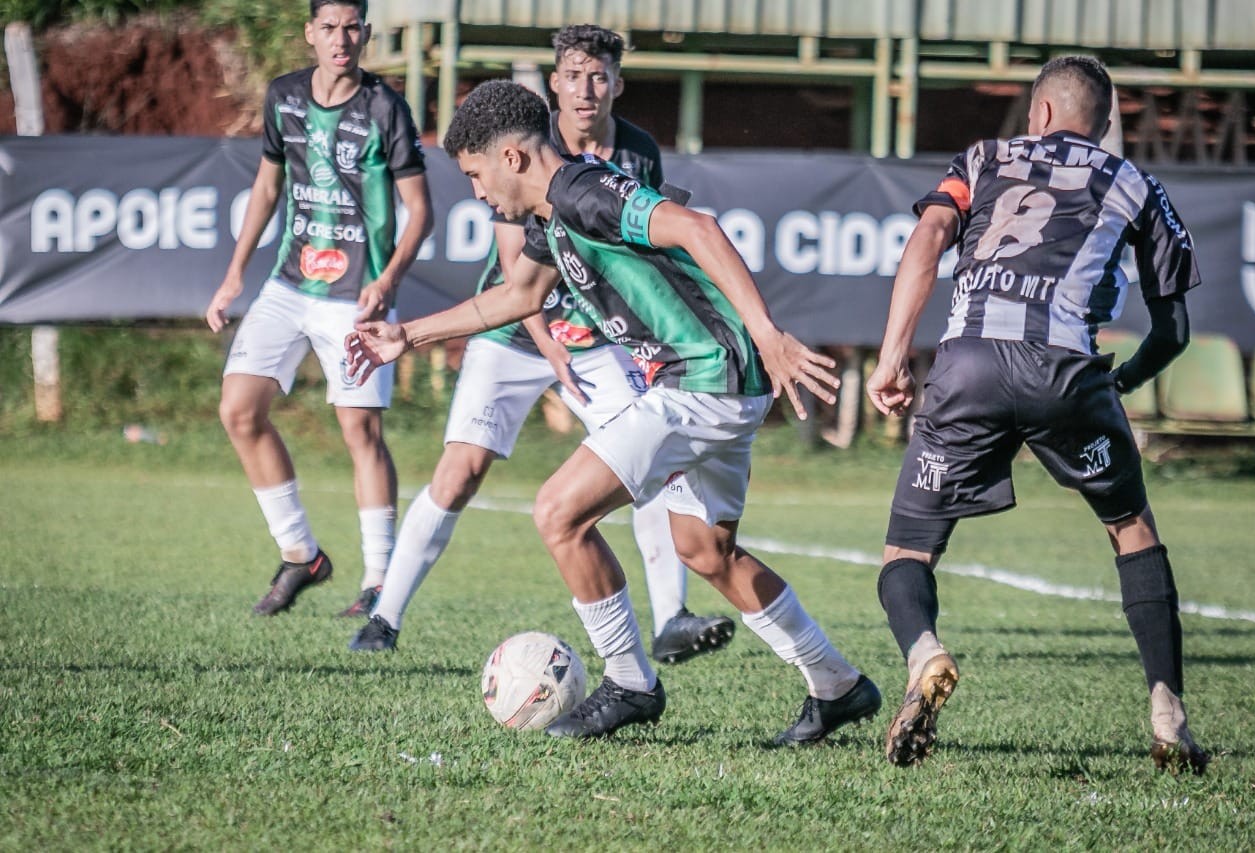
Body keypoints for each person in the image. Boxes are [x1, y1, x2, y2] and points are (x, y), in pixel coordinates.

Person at [345, 79, 881, 741]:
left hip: (701, 378)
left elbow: (697, 228)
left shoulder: (584, 192)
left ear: (512, 159)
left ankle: (630, 680)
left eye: (477, 176)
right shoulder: (555, 211)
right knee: (706, 552)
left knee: (559, 512)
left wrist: (768, 334)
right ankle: (838, 684)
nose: (479, 194)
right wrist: (409, 335)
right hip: (714, 379)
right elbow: (517, 296)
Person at [348, 24, 734, 664]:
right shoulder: (521, 141)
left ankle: (671, 618)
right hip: (513, 331)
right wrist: (546, 340)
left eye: (600, 74)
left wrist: (632, 338)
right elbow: (515, 271)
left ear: (617, 82)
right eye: (574, 74)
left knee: (650, 465)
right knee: (461, 469)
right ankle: (384, 616)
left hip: (598, 340)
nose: (587, 88)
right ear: (554, 82)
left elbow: (642, 250)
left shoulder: (636, 151)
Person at [866, 56, 1209, 774]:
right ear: (1105, 122)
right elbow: (1174, 327)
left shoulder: (984, 157)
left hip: (968, 367)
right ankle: (1167, 712)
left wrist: (893, 356)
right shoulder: (1134, 182)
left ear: (1042, 114)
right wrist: (1123, 380)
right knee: (1131, 528)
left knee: (907, 551)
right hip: (1065, 371)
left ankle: (924, 653)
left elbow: (928, 238)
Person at [204, 0, 433, 617]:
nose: (341, 39)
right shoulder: (283, 98)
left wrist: (387, 281)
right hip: (288, 283)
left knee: (360, 431)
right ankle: (301, 554)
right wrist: (233, 276)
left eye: (352, 27)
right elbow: (267, 186)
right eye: (329, 28)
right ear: (310, 33)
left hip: (356, 295)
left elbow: (421, 211)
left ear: (365, 33)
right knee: (238, 410)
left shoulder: (386, 108)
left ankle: (380, 581)